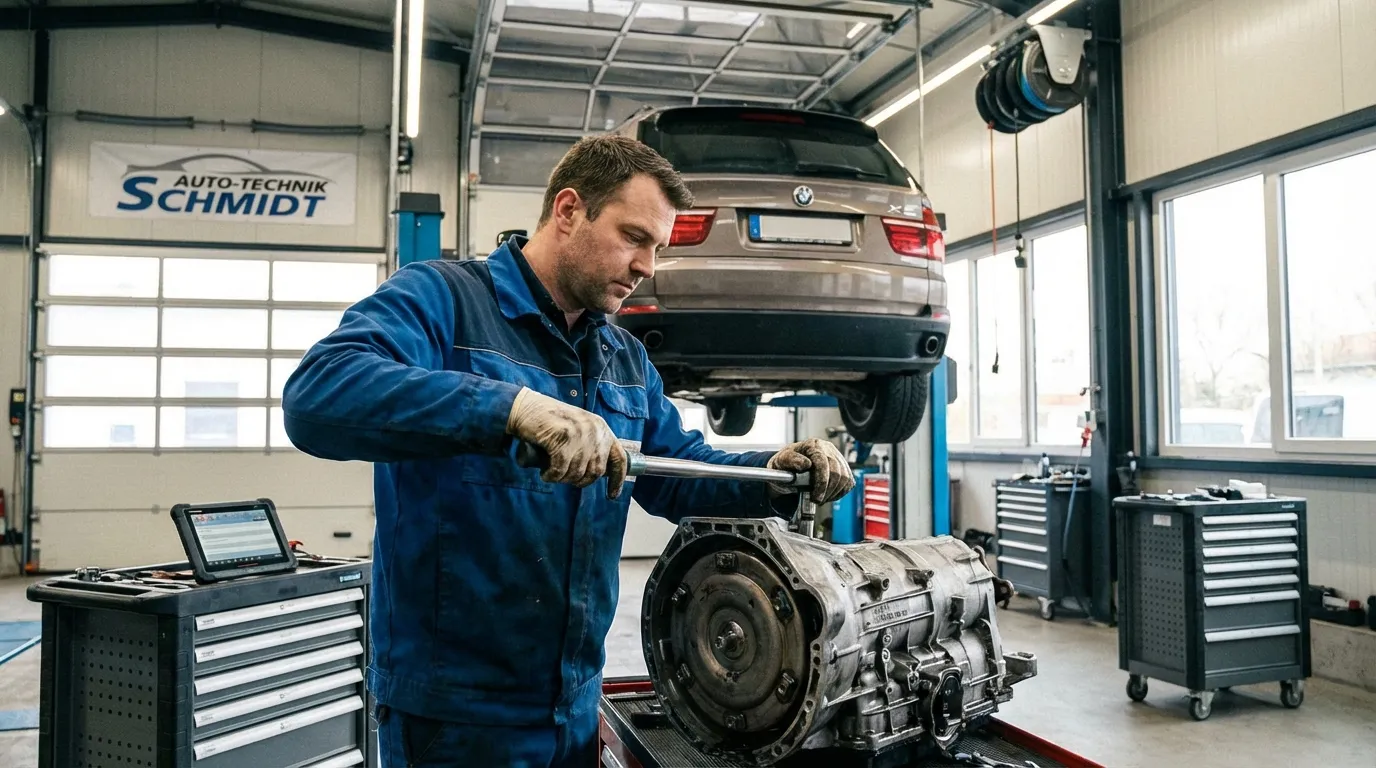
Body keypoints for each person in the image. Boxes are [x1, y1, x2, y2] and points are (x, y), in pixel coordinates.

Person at [281, 134, 855, 768]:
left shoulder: (624, 358)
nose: (647, 268)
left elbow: (678, 473)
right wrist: (509, 408)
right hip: (455, 721)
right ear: (568, 210)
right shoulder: (442, 301)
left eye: (657, 249)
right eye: (635, 237)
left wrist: (772, 473)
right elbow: (318, 394)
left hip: (576, 708)